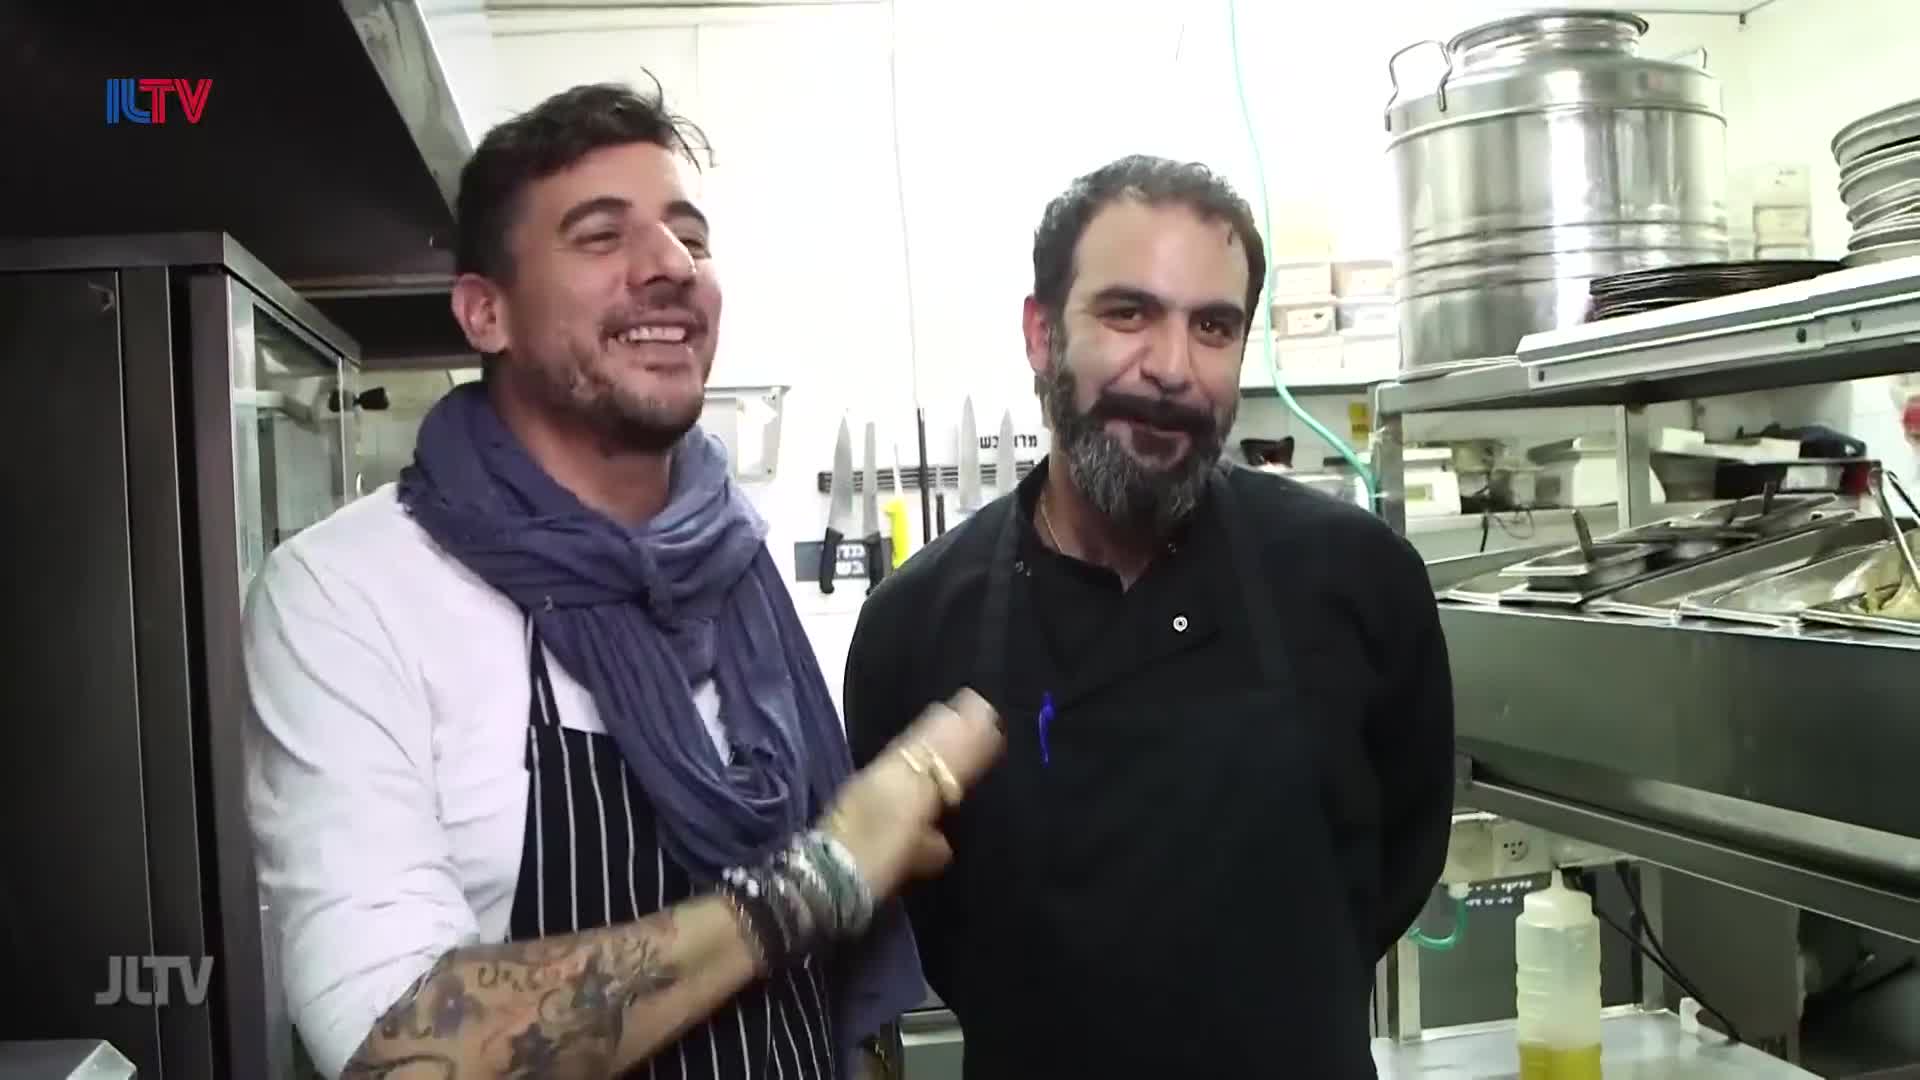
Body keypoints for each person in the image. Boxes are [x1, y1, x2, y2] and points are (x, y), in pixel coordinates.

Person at [241, 81, 1003, 1080]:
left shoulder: (730, 560)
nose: (671, 266)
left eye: (689, 234)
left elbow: (822, 998)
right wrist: (815, 881)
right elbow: (405, 1050)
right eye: (601, 238)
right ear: (485, 312)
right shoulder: (350, 596)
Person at [843, 155, 1454, 1078]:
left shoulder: (1357, 580)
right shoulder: (915, 624)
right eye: (1128, 314)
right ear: (1043, 335)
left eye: (1214, 327)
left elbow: (1399, 862)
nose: (1172, 368)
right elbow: (938, 931)